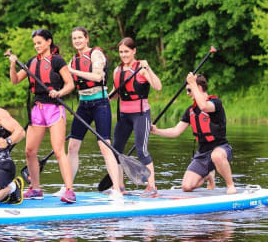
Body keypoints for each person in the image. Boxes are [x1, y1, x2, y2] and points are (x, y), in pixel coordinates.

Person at [53, 26, 123, 201]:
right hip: (83, 104)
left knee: (104, 146)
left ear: (87, 39)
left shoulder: (96, 54)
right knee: (72, 147)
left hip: (100, 103)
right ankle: (68, 187)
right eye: (74, 38)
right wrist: (56, 91)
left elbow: (97, 77)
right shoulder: (72, 60)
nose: (77, 41)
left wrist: (73, 71)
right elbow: (66, 80)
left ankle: (116, 189)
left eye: (79, 38)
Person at [8, 29, 76, 203]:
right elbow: (15, 80)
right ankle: (36, 188)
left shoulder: (57, 61)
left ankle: (69, 190)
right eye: (35, 44)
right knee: (30, 151)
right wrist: (13, 64)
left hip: (54, 108)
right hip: (37, 110)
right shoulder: (31, 62)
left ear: (48, 42)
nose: (37, 46)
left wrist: (59, 92)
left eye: (39, 42)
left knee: (59, 150)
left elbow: (70, 85)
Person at [151, 73, 236, 194]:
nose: (187, 93)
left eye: (189, 90)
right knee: (186, 187)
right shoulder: (190, 111)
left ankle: (230, 185)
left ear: (199, 88)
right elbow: (176, 131)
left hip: (221, 148)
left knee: (216, 156)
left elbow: (204, 106)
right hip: (202, 154)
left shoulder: (215, 103)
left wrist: (193, 83)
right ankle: (208, 175)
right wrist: (156, 130)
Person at [111, 37, 162, 196]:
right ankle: (119, 187)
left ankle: (151, 186)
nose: (123, 55)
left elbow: (158, 87)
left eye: (126, 51)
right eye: (121, 52)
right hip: (123, 116)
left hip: (140, 115)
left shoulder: (142, 70)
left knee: (142, 150)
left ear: (134, 51)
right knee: (116, 150)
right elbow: (115, 93)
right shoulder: (117, 70)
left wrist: (148, 68)